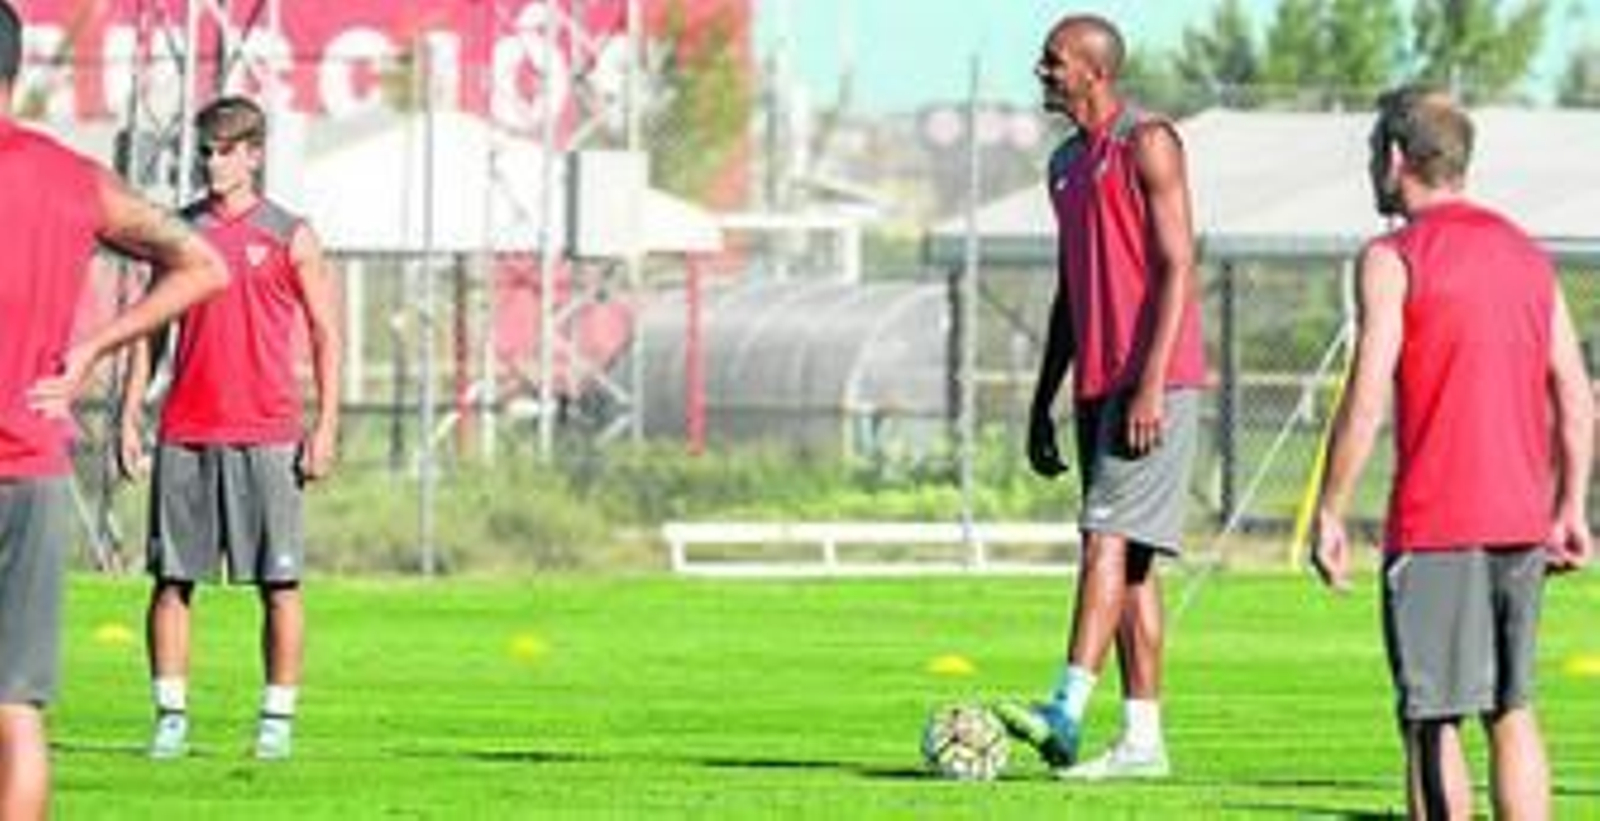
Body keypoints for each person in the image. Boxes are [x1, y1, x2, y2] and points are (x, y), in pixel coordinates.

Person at [1311, 85, 1593, 819]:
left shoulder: (1392, 255)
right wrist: (1569, 506)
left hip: (1437, 521)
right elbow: (1575, 391)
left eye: (1377, 152)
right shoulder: (1527, 255)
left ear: (1397, 157)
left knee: (1430, 717)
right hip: (1521, 521)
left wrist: (1331, 509)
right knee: (1511, 706)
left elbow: (1368, 392)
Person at [0, 1, 229, 813]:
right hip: (29, 465)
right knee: (16, 708)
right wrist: (95, 345)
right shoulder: (71, 178)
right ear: (16, 71)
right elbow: (202, 263)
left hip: (24, 465)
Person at [995, 13, 1208, 780]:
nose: (1041, 70)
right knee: (1134, 566)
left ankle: (1064, 707)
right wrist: (1041, 399)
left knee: (1104, 540)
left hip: (1154, 382)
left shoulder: (1147, 143)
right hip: (1094, 387)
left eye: (1053, 60)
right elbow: (1069, 292)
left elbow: (1179, 265)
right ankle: (1142, 741)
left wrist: (1149, 382)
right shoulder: (1063, 163)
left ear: (1095, 70)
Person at [119, 95, 341, 761]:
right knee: (172, 580)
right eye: (206, 151)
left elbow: (327, 332)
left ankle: (276, 720)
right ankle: (170, 718)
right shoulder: (178, 234)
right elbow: (150, 329)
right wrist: (131, 411)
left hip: (268, 433)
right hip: (187, 429)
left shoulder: (290, 234)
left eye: (225, 151)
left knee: (280, 584)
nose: (213, 163)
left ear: (254, 154)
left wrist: (325, 425)